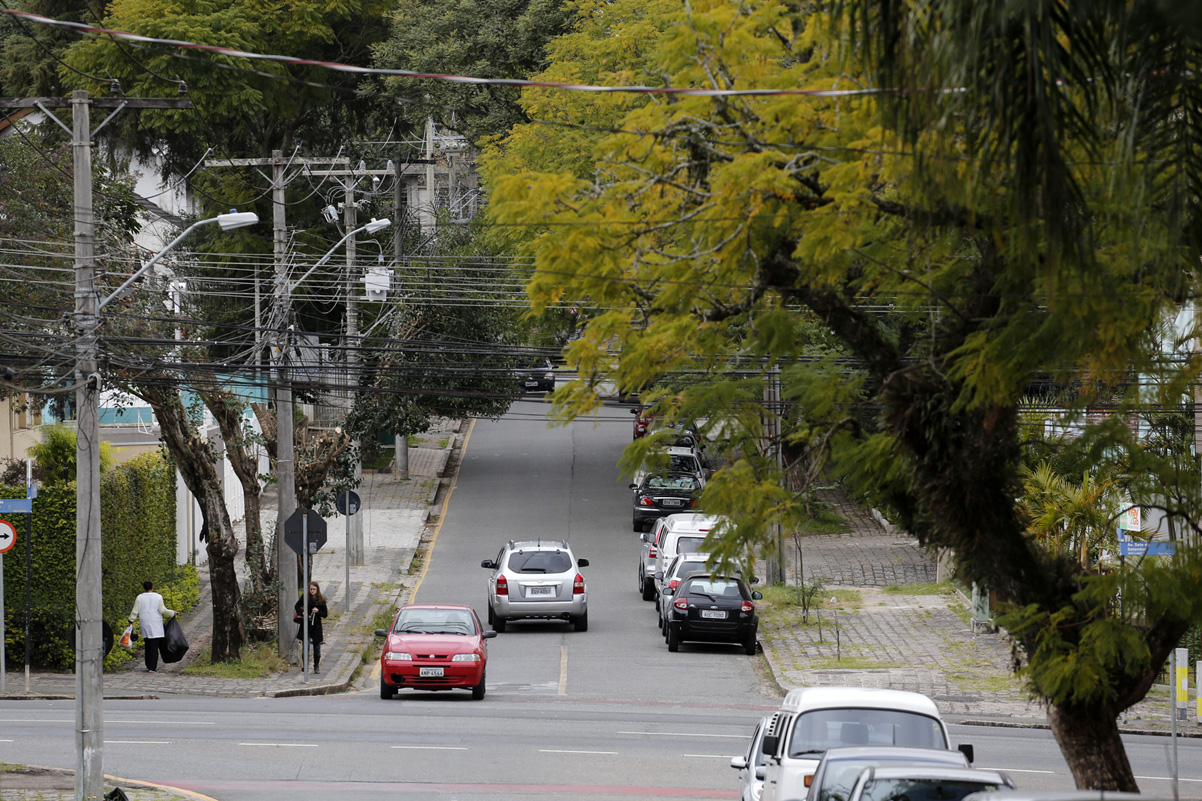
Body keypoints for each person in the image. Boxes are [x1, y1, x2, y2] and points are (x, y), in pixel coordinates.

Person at [129, 580, 175, 673]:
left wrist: (130, 621)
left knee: (148, 645)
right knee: (154, 647)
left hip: (144, 623)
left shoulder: (139, 597)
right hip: (155, 624)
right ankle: (152, 667)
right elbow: (162, 610)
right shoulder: (158, 597)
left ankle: (148, 665)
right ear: (152, 587)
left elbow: (135, 611)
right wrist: (172, 613)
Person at [295, 581, 329, 674]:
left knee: (317, 647)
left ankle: (316, 666)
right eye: (310, 589)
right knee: (305, 646)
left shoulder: (321, 600)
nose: (312, 591)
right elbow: (297, 605)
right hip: (306, 624)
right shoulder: (305, 597)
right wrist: (302, 612)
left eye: (314, 589)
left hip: (316, 626)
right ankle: (305, 665)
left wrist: (318, 611)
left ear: (317, 590)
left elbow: (325, 614)